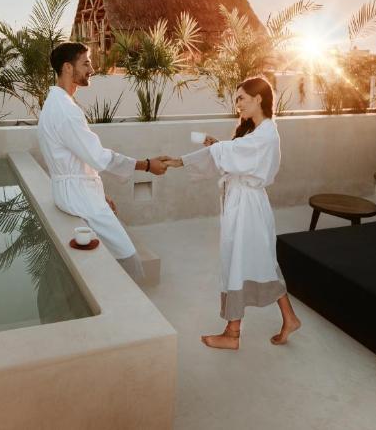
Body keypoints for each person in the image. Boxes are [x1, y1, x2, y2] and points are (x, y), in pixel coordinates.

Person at [162, 76, 301, 349]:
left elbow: (234, 153)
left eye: (241, 98)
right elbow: (235, 155)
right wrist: (218, 146)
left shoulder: (266, 133)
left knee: (240, 263)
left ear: (258, 98)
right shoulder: (256, 132)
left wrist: (181, 161)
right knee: (259, 262)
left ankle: (233, 333)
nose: (237, 104)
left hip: (248, 206)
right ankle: (288, 318)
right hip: (244, 203)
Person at [37, 42, 169, 280]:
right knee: (131, 263)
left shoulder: (54, 104)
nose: (92, 68)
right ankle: (130, 312)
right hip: (80, 199)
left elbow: (78, 156)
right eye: (86, 63)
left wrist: (99, 194)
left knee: (108, 263)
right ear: (68, 68)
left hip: (74, 193)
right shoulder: (66, 110)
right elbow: (98, 157)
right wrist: (147, 164)